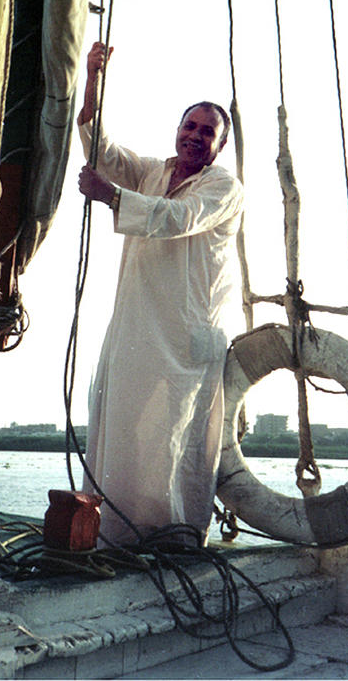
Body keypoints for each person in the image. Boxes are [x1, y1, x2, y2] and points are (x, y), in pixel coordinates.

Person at [77, 41, 244, 546]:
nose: (196, 136)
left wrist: (111, 196)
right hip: (136, 323)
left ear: (219, 144)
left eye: (207, 131)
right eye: (189, 127)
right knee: (120, 420)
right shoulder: (155, 172)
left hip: (187, 334)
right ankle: (118, 533)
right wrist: (93, 79)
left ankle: (176, 534)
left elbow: (177, 220)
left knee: (177, 434)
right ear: (177, 131)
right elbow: (100, 150)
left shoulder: (223, 187)